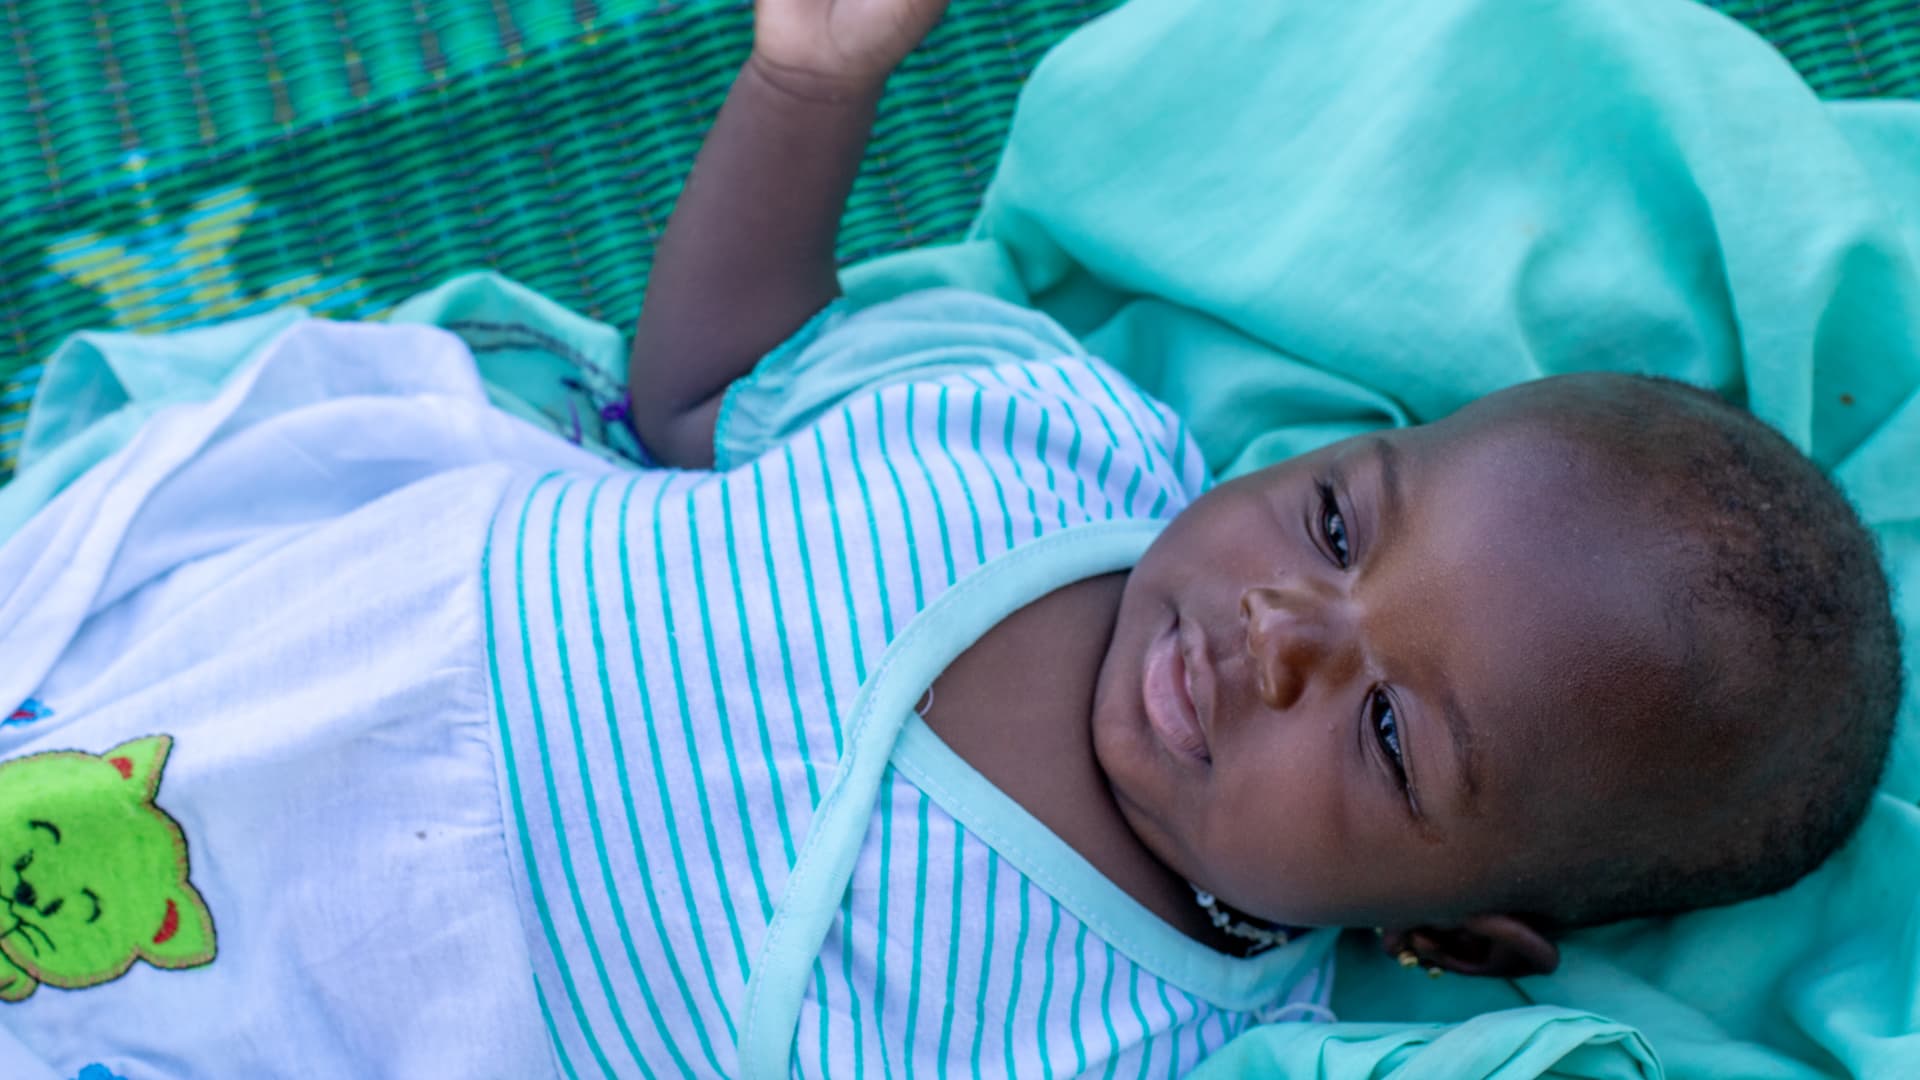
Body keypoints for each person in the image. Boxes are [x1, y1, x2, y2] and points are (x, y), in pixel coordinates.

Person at [0, 0, 1900, 1076]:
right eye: (1335, 521)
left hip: (279, 1010)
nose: (1284, 636)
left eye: (1393, 737)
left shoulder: (1137, 1045)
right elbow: (706, 393)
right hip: (285, 622)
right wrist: (811, 81)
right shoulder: (1040, 432)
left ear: (1452, 934)